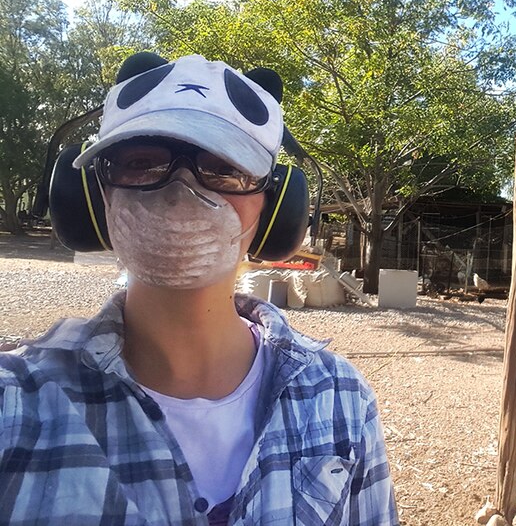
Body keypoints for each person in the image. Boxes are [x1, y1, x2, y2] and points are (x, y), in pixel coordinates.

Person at [0, 53, 399, 525]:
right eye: (142, 163)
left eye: (224, 168)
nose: (181, 191)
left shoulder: (340, 401)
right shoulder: (15, 407)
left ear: (272, 210)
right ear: (94, 196)